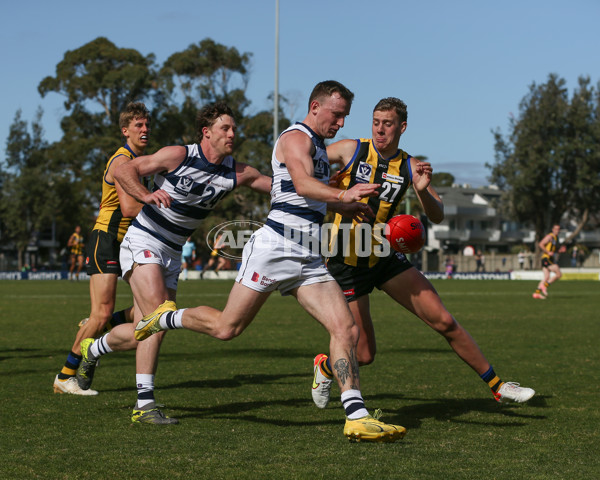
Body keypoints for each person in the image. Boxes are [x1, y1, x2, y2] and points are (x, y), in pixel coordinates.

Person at [128, 81, 406, 442]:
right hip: (276, 247)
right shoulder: (296, 138)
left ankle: (356, 415)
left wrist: (344, 204)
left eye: (344, 118)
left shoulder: (320, 148)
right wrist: (343, 192)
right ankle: (165, 317)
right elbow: (303, 185)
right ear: (316, 107)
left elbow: (307, 198)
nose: (340, 124)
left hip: (307, 254)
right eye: (336, 115)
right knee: (227, 329)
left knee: (346, 328)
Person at [308, 97, 534, 411]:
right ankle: (325, 366)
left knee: (444, 320)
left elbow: (438, 215)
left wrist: (425, 190)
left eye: (388, 123)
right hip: (346, 262)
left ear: (402, 127)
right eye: (376, 122)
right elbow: (306, 162)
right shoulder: (350, 149)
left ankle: (498, 386)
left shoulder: (411, 166)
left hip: (383, 255)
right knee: (363, 354)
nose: (380, 129)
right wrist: (324, 183)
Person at [78, 102, 272, 425]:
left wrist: (329, 191)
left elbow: (275, 186)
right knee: (159, 315)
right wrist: (145, 194)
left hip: (172, 253)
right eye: (226, 128)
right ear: (207, 132)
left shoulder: (235, 172)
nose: (232, 134)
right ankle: (144, 405)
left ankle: (92, 350)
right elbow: (122, 170)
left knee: (148, 328)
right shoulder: (180, 155)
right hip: (143, 240)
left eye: (234, 129)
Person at [53, 102, 151, 395]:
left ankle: (100, 323)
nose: (145, 130)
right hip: (106, 239)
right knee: (101, 312)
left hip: (128, 242)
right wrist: (163, 203)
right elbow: (130, 207)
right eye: (138, 126)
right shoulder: (122, 162)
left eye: (147, 125)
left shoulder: (140, 160)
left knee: (146, 311)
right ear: (125, 131)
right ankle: (65, 376)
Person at [532, 224, 564, 299]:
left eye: (559, 229)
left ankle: (536, 293)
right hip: (546, 258)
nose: (557, 231)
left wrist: (559, 251)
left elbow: (553, 250)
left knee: (546, 277)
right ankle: (545, 286)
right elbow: (541, 244)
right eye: (556, 229)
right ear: (552, 229)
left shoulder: (556, 238)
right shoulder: (550, 236)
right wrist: (547, 252)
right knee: (559, 274)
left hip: (548, 258)